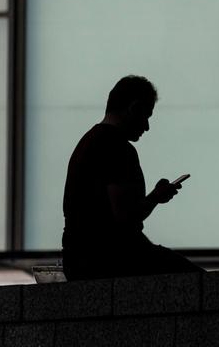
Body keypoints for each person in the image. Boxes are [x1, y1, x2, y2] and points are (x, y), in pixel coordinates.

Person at [61, 75, 203, 280]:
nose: (146, 127)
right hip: (111, 260)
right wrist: (155, 197)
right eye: (146, 116)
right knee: (199, 283)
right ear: (134, 108)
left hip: (79, 261)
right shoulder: (117, 147)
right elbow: (125, 219)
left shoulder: (88, 142)